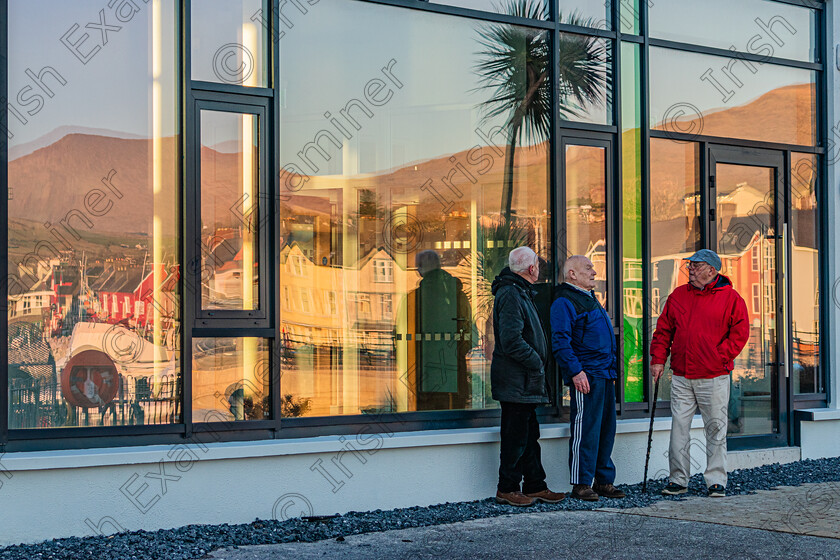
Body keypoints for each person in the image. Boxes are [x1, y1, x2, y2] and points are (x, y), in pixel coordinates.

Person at [650, 249, 749, 498]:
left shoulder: (731, 298)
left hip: (714, 376)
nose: (690, 269)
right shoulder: (678, 295)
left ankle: (716, 480)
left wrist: (719, 357)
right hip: (682, 375)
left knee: (715, 428)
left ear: (712, 271)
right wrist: (658, 360)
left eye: (696, 265)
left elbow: (740, 333)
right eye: (689, 265)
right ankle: (678, 479)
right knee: (679, 428)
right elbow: (663, 331)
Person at [490, 246, 565, 506]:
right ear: (532, 269)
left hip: (524, 382)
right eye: (538, 265)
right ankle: (507, 488)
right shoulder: (511, 293)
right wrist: (537, 362)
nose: (540, 269)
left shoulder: (519, 291)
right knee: (515, 437)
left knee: (529, 435)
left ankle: (535, 485)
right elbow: (511, 340)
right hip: (516, 381)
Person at [551, 255, 624, 501]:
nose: (594, 272)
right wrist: (575, 371)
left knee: (605, 429)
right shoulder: (565, 301)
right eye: (588, 268)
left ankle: (603, 480)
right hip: (586, 376)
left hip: (604, 375)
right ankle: (581, 483)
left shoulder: (589, 299)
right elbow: (560, 341)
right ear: (572, 273)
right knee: (585, 429)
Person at [397, 250, 473, 410]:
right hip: (454, 375)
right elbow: (470, 337)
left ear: (420, 270)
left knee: (426, 421)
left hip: (423, 376)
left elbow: (401, 341)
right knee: (455, 421)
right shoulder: (458, 296)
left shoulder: (412, 299)